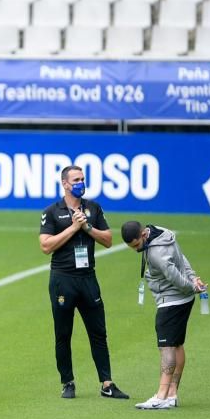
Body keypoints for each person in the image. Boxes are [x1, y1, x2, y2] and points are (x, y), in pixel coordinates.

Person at [39, 165, 129, 400]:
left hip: (88, 278)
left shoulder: (93, 208)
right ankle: (67, 382)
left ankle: (107, 383)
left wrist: (87, 227)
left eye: (83, 179)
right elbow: (46, 246)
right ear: (65, 184)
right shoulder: (51, 212)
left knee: (99, 332)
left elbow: (108, 240)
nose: (81, 183)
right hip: (63, 280)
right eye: (76, 179)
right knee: (63, 334)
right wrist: (73, 227)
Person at [121, 221, 206, 410]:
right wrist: (193, 278)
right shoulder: (163, 232)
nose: (135, 249)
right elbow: (181, 258)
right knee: (177, 345)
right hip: (183, 300)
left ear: (143, 234)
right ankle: (172, 394)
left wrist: (191, 285)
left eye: (136, 245)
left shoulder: (156, 254)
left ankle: (160, 396)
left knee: (166, 347)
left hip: (171, 301)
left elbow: (174, 275)